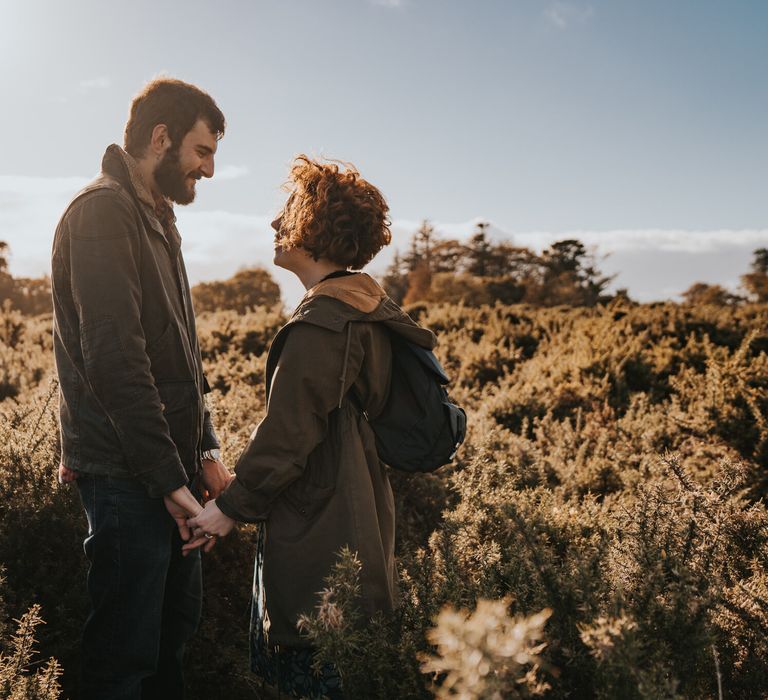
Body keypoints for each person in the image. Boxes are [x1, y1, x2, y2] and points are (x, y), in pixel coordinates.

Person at [187, 155, 437, 699]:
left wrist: (229, 509)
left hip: (321, 527)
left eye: (287, 212)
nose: (276, 225)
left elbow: (288, 432)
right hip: (354, 511)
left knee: (318, 670)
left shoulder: (325, 321)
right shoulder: (360, 307)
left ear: (315, 228)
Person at [51, 78, 231, 700]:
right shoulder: (102, 211)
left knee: (171, 637)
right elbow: (115, 361)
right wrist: (169, 483)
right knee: (122, 660)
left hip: (170, 469)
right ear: (161, 138)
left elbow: (182, 352)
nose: (208, 168)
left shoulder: (158, 216)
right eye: (202, 150)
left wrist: (204, 450)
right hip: (128, 476)